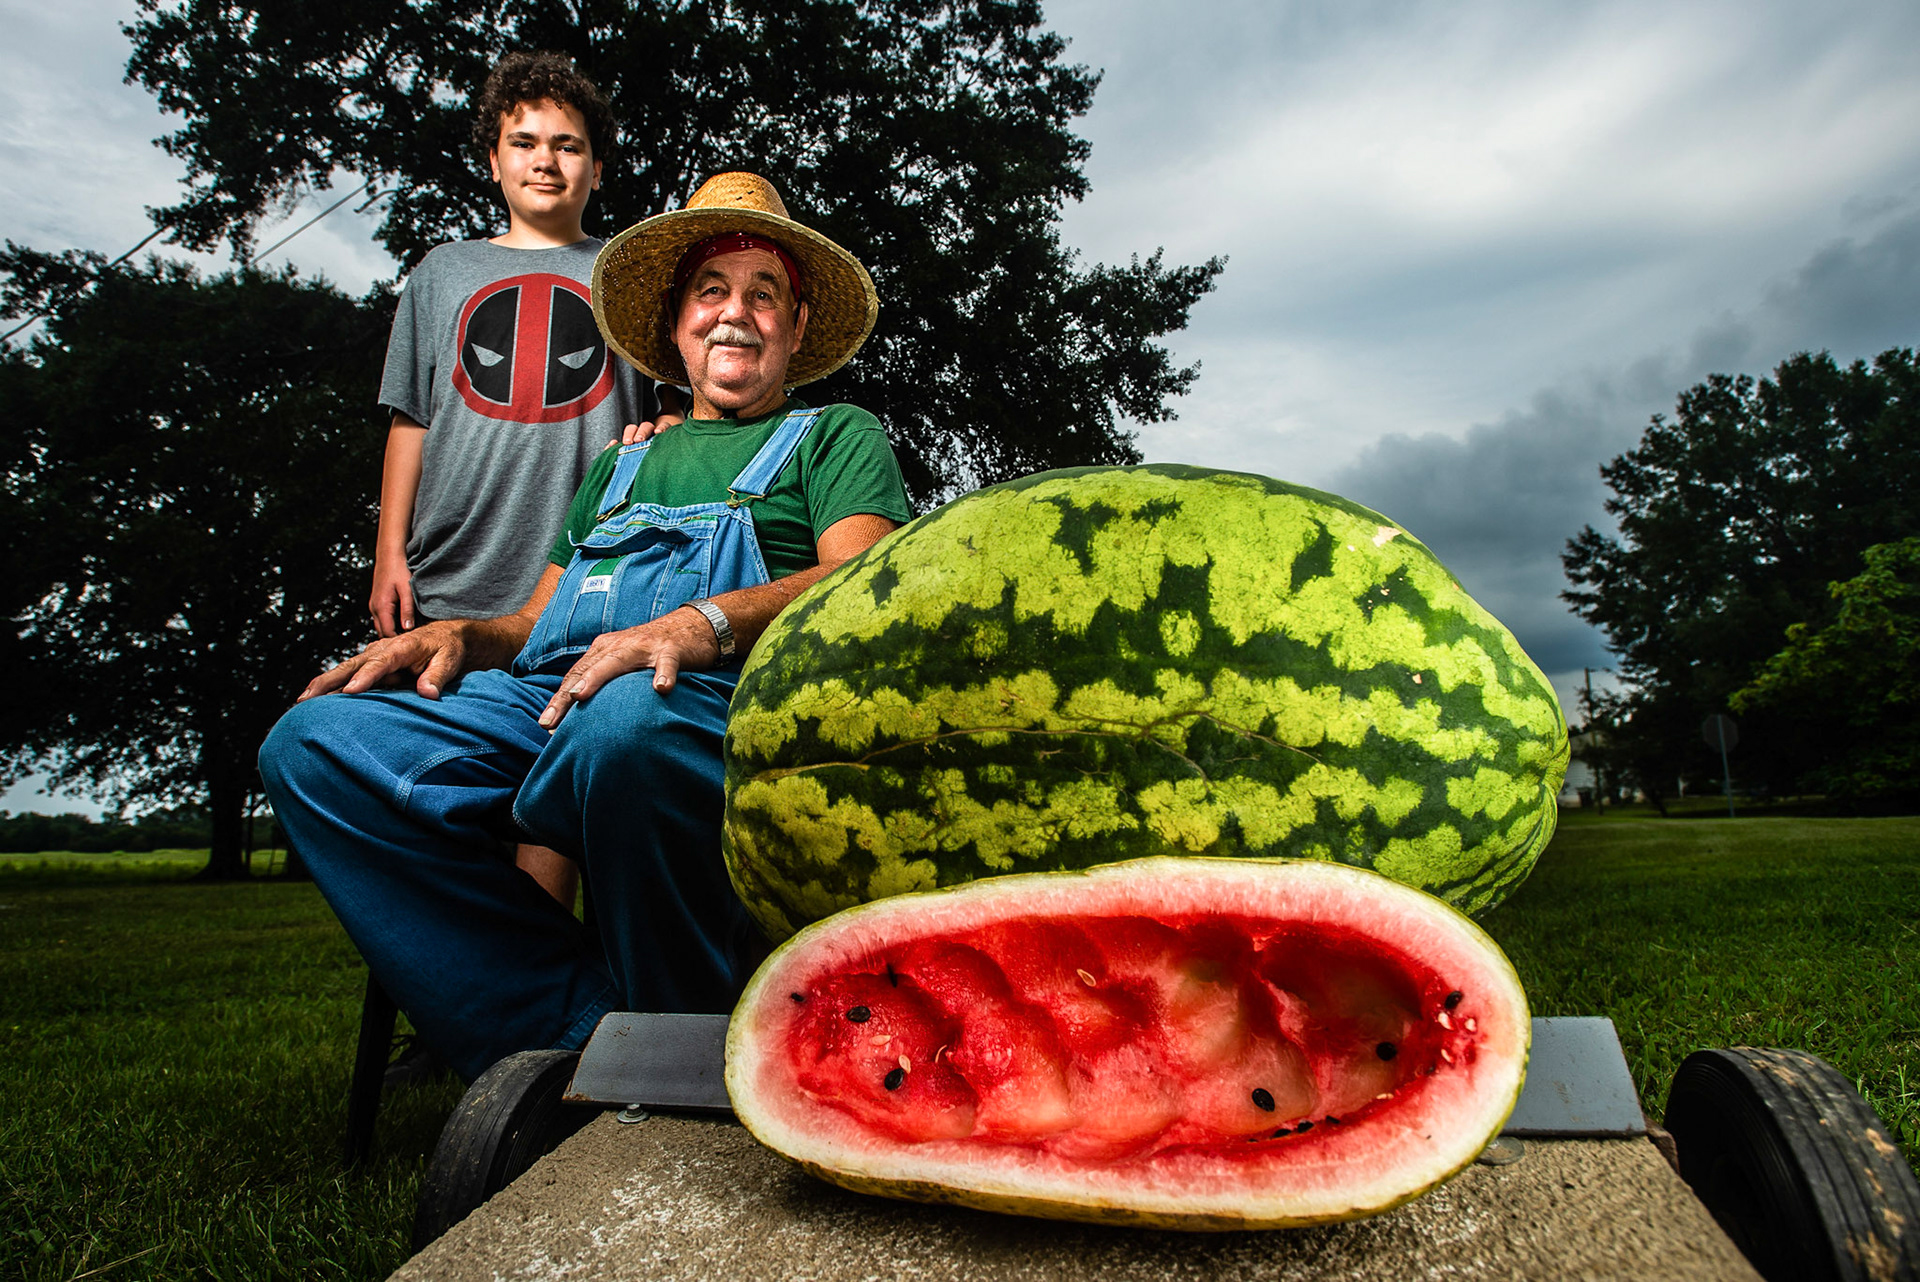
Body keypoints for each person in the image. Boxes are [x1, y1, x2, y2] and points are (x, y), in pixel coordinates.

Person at [260, 172, 910, 1082]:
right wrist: (459, 635)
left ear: (797, 330)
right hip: (546, 701)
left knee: (628, 723)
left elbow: (863, 582)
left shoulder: (834, 436)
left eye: (766, 294)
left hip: (705, 709)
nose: (737, 313)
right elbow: (537, 620)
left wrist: (704, 620)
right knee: (316, 744)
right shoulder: (618, 466)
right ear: (677, 323)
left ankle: (664, 1044)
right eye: (713, 290)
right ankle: (567, 1028)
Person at [369, 51, 677, 906]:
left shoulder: (627, 277)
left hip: (585, 575)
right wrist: (389, 552)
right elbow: (411, 420)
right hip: (456, 564)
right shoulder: (441, 275)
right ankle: (468, 972)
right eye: (526, 141)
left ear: (597, 168)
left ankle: (539, 987)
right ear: (495, 160)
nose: (547, 159)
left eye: (569, 145)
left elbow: (673, 413)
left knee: (555, 781)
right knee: (446, 781)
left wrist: (662, 430)